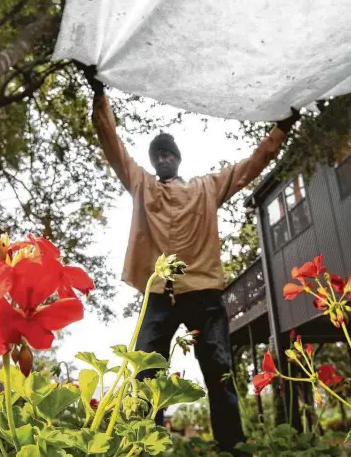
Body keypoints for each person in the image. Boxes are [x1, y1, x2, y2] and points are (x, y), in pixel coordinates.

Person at [80, 64, 299, 455]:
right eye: (156, 153)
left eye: (168, 152)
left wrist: (280, 130)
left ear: (178, 158)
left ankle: (231, 444)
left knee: (218, 366)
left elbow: (251, 166)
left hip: (204, 294)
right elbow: (113, 145)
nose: (162, 157)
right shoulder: (141, 184)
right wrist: (100, 95)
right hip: (158, 297)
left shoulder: (207, 188)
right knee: (147, 368)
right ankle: (148, 444)